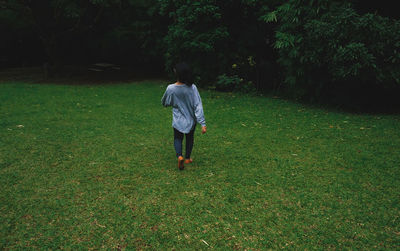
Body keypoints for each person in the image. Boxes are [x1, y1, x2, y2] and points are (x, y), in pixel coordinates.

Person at [161, 62, 207, 170]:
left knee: (177, 138)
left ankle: (179, 156)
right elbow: (198, 105)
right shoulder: (192, 88)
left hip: (178, 120)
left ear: (176, 73)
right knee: (190, 138)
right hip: (191, 120)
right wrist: (203, 123)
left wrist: (170, 103)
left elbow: (164, 102)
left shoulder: (171, 88)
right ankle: (187, 158)